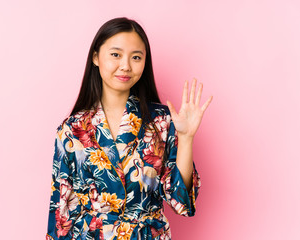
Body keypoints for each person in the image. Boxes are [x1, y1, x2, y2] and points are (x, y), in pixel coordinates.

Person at [46, 17, 213, 240]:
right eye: (116, 54)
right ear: (96, 57)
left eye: (136, 57)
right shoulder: (72, 130)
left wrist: (186, 137)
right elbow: (61, 216)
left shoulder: (161, 122)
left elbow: (182, 202)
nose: (125, 65)